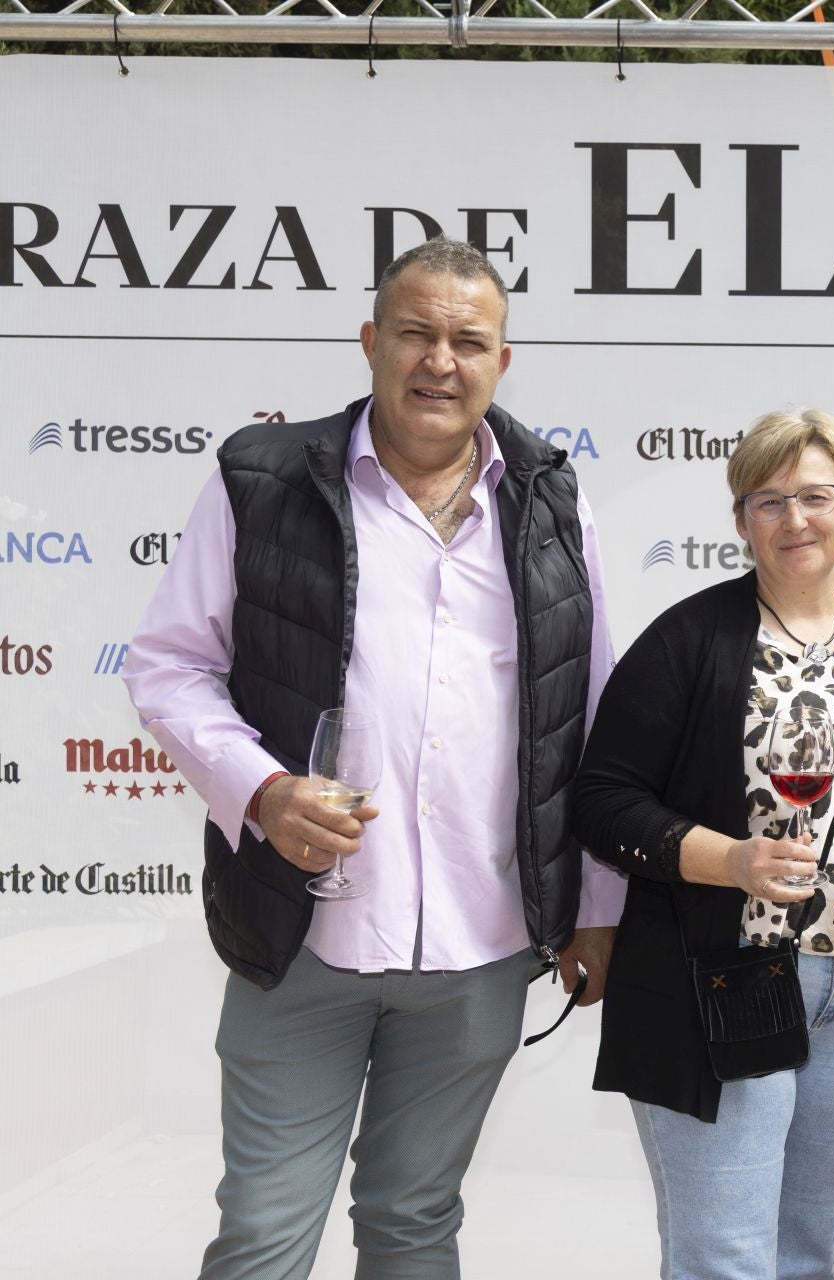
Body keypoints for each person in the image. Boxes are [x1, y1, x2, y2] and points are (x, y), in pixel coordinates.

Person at [121, 235, 623, 1280]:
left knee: (414, 1221)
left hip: (481, 946)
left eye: (467, 340)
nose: (440, 360)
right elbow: (169, 666)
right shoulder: (261, 481)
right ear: (370, 342)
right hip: (302, 931)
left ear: (501, 361)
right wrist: (260, 788)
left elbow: (590, 713)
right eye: (416, 333)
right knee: (263, 1232)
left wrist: (601, 905)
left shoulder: (553, 504)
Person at [571, 408, 834, 1280]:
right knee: (726, 1261)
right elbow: (600, 800)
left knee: (801, 1253)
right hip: (730, 975)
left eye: (815, 496)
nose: (795, 520)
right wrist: (731, 859)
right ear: (740, 521)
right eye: (768, 501)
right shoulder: (688, 641)